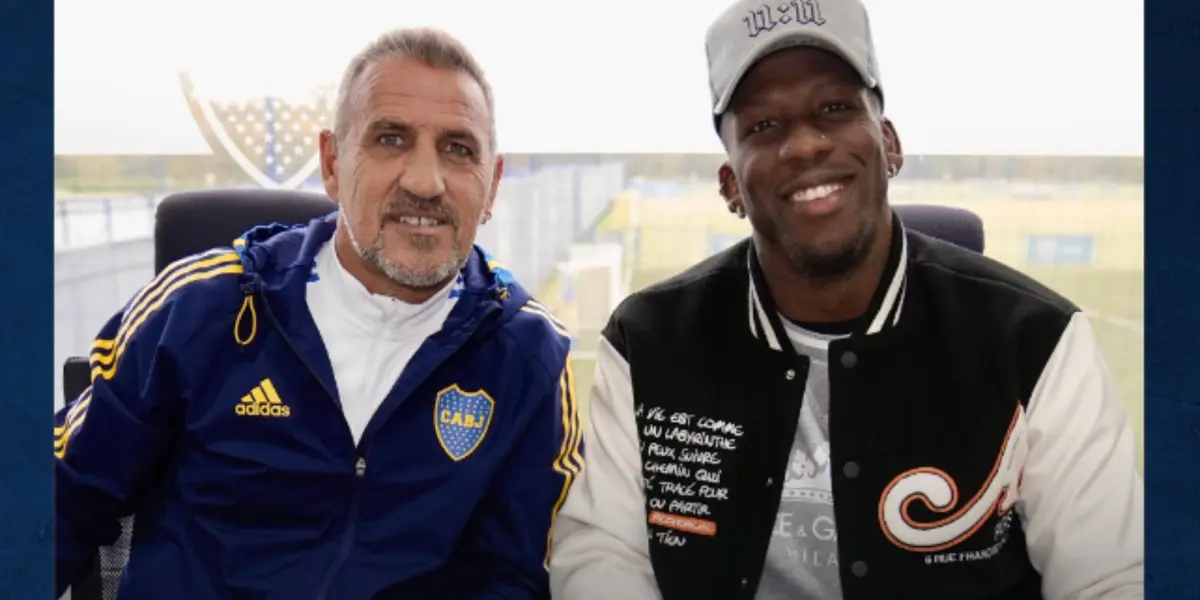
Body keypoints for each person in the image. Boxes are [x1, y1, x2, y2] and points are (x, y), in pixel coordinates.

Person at [548, 0, 1143, 598]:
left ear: (890, 143)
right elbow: (602, 552)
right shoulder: (647, 341)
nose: (806, 145)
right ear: (731, 186)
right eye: (764, 125)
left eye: (835, 108)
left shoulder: (1039, 341)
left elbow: (1111, 577)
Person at [54, 27, 582, 600]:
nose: (425, 182)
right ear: (332, 163)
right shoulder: (201, 307)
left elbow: (513, 575)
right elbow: (57, 501)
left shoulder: (527, 355)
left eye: (458, 149)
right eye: (390, 139)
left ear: (492, 184)